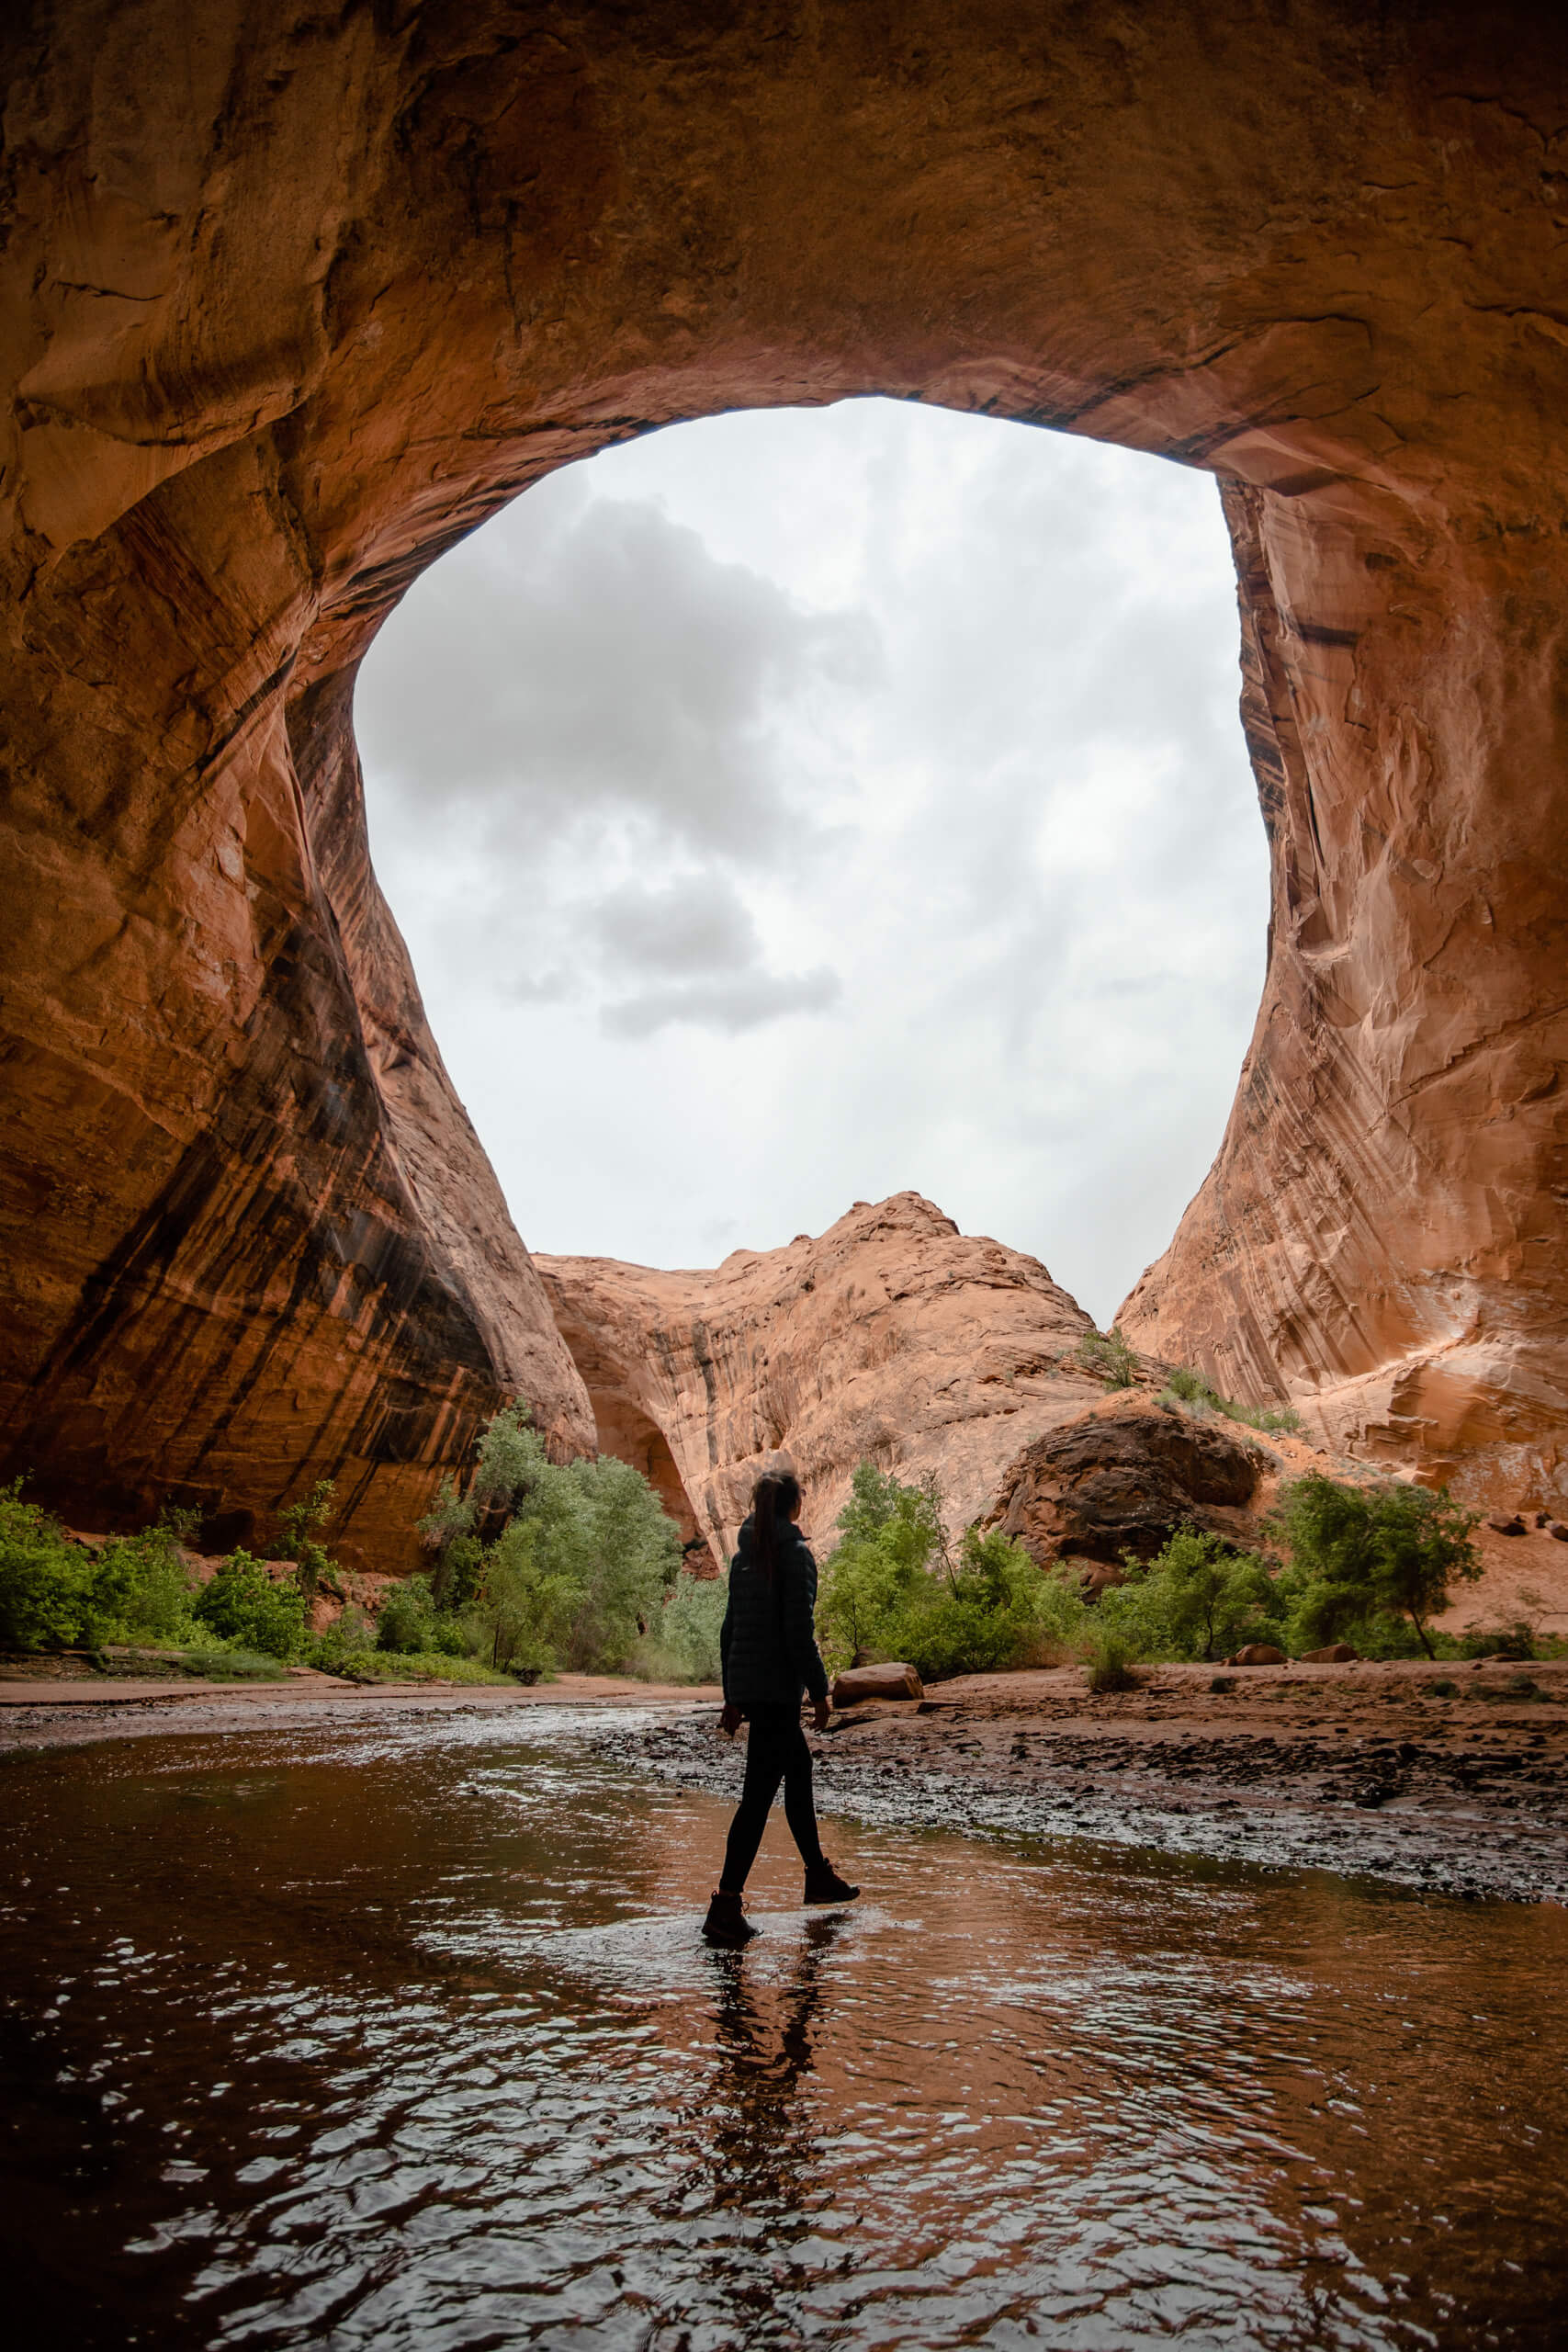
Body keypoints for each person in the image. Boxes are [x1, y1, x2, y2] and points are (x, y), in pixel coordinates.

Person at [703, 1468, 859, 1948]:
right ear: (794, 1506)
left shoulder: (742, 1559)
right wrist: (819, 1689)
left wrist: (732, 1695)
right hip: (777, 1693)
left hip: (754, 1690)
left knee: (799, 1772)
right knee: (756, 1800)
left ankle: (817, 1876)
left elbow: (729, 1631)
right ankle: (725, 1906)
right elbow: (798, 1631)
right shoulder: (794, 1556)